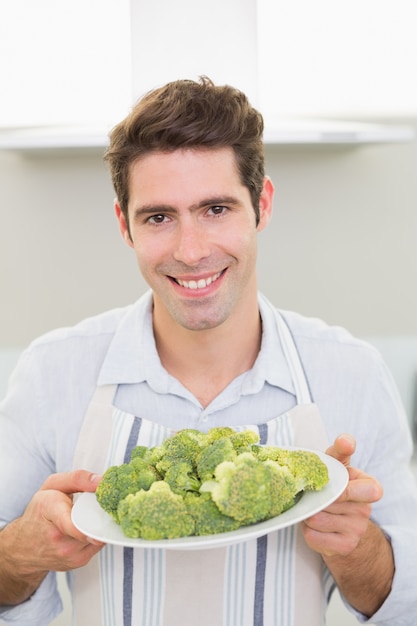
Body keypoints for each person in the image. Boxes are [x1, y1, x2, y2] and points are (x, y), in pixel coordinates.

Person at [0, 76, 416, 626]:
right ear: (124, 224)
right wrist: (19, 554)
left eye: (215, 209)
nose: (191, 251)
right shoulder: (53, 372)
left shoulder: (352, 373)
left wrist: (357, 549)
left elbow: (406, 603)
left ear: (261, 205)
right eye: (159, 217)